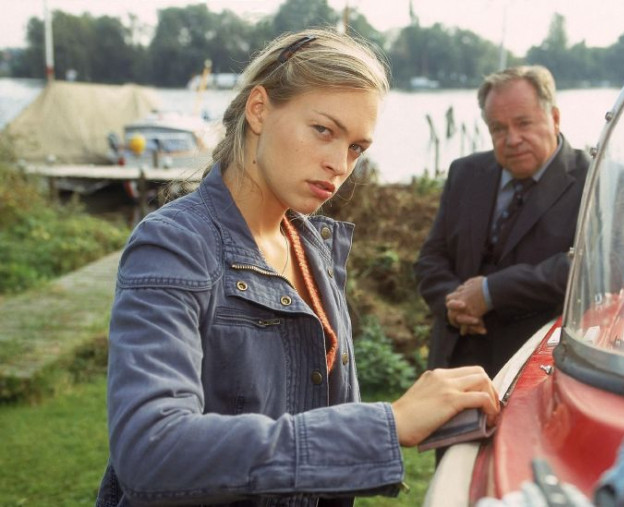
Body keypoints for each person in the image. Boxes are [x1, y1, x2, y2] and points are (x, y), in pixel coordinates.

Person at [94, 28, 499, 507]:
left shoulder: (312, 246)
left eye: (356, 148)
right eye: (324, 130)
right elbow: (151, 450)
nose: (339, 164)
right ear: (259, 109)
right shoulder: (175, 244)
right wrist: (386, 425)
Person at [414, 65, 591, 379]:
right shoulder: (465, 173)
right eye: (498, 128)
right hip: (453, 361)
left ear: (554, 118)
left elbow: (591, 269)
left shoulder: (596, 180)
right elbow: (431, 258)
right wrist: (454, 306)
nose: (512, 139)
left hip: (539, 368)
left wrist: (490, 291)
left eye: (523, 123)